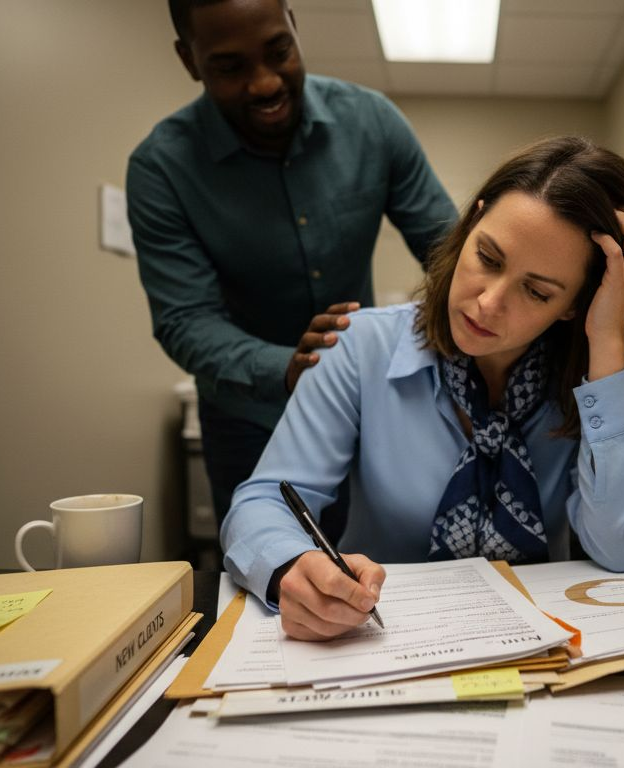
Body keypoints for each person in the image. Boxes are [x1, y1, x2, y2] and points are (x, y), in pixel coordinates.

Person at [222, 136, 624, 641]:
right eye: (487, 257)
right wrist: (294, 566)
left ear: (577, 304)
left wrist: (609, 339)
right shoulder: (360, 347)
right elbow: (264, 500)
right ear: (469, 228)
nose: (488, 303)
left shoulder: (587, 379)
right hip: (379, 640)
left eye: (537, 291)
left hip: (539, 646)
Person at [126, 0, 456, 529]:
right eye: (230, 67)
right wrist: (286, 368)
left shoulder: (372, 122)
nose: (263, 84)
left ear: (295, 26)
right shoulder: (161, 169)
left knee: (367, 567)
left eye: (278, 51)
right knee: (266, 575)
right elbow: (185, 319)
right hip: (245, 418)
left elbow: (449, 253)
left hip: (361, 406)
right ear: (189, 60)